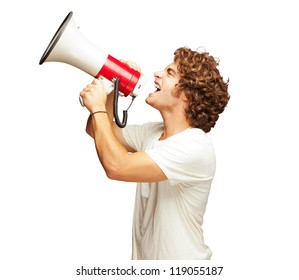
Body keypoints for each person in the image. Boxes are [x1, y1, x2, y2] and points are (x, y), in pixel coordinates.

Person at [79, 47, 230, 260]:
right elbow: (97, 130)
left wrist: (97, 107)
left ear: (188, 94)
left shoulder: (195, 145)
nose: (157, 74)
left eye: (170, 73)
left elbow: (116, 166)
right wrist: (115, 86)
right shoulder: (154, 132)